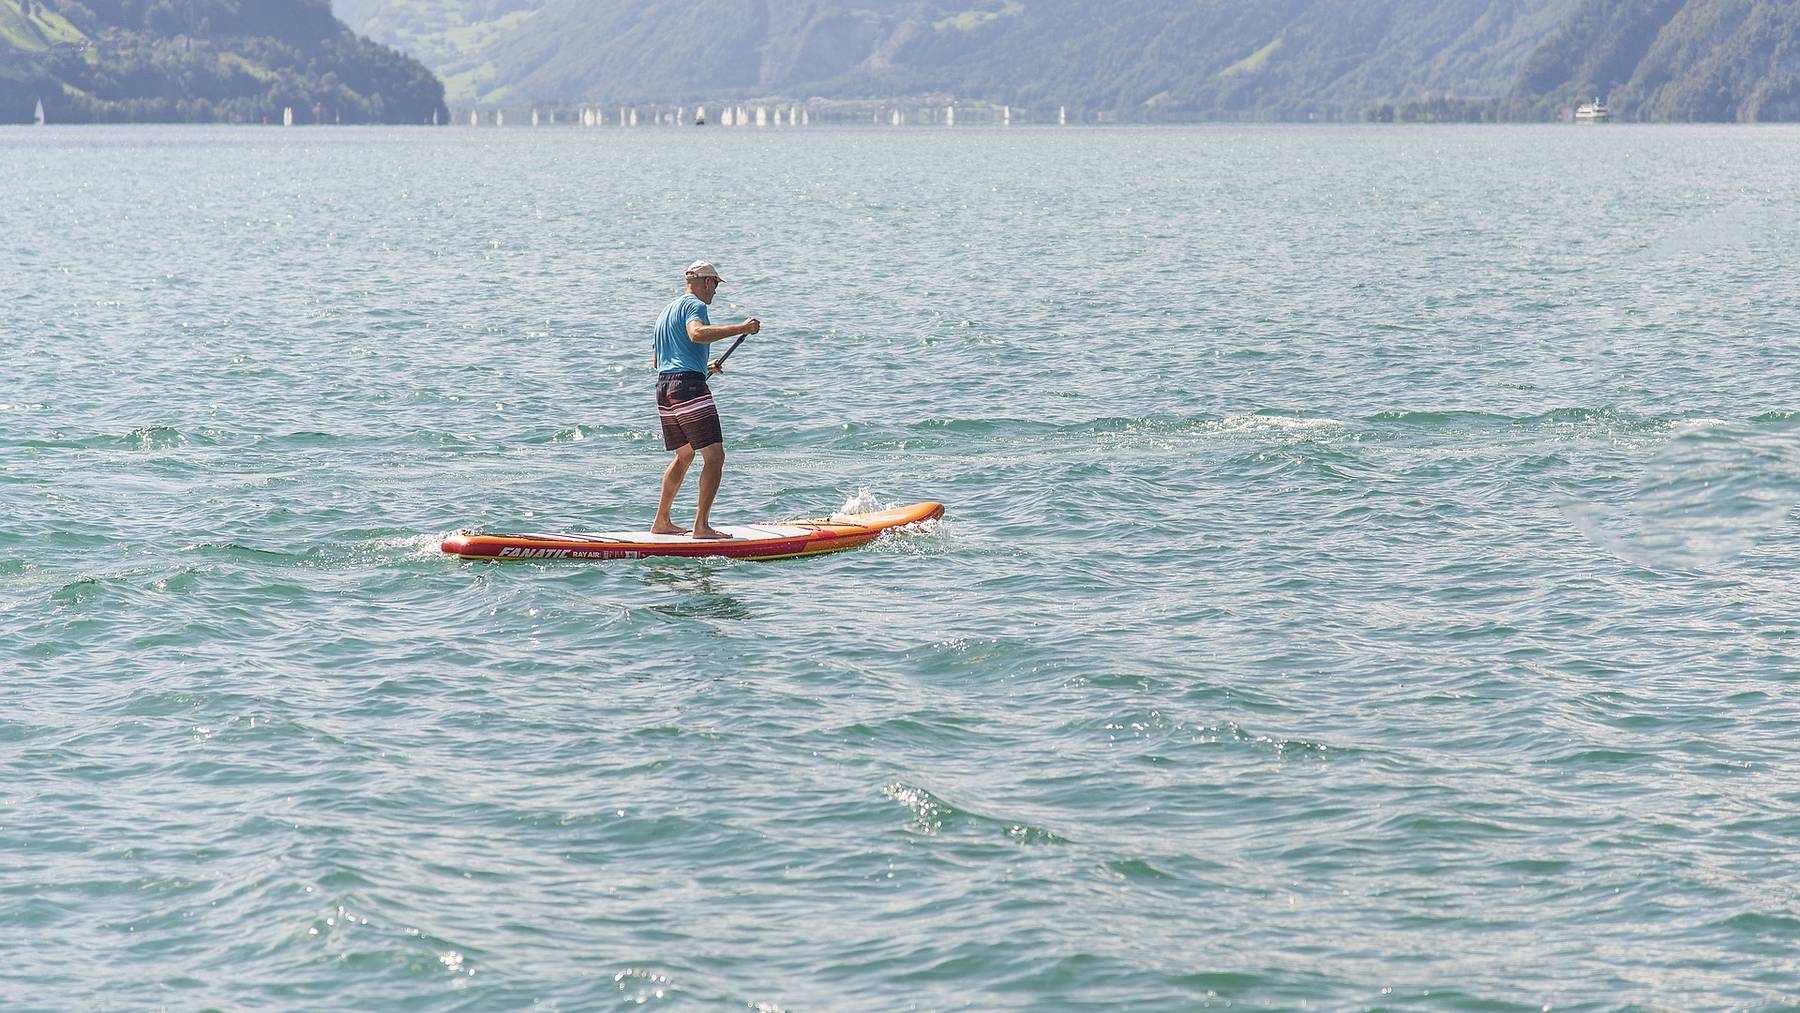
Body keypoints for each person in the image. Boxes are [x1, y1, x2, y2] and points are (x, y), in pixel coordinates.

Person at [650, 260, 760, 539]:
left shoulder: (665, 312)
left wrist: (702, 366)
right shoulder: (694, 306)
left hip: (665, 388)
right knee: (715, 456)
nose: (715, 292)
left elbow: (658, 361)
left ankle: (661, 521)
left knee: (684, 455)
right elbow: (696, 334)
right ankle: (702, 527)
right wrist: (741, 328)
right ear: (706, 282)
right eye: (715, 285)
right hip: (688, 388)